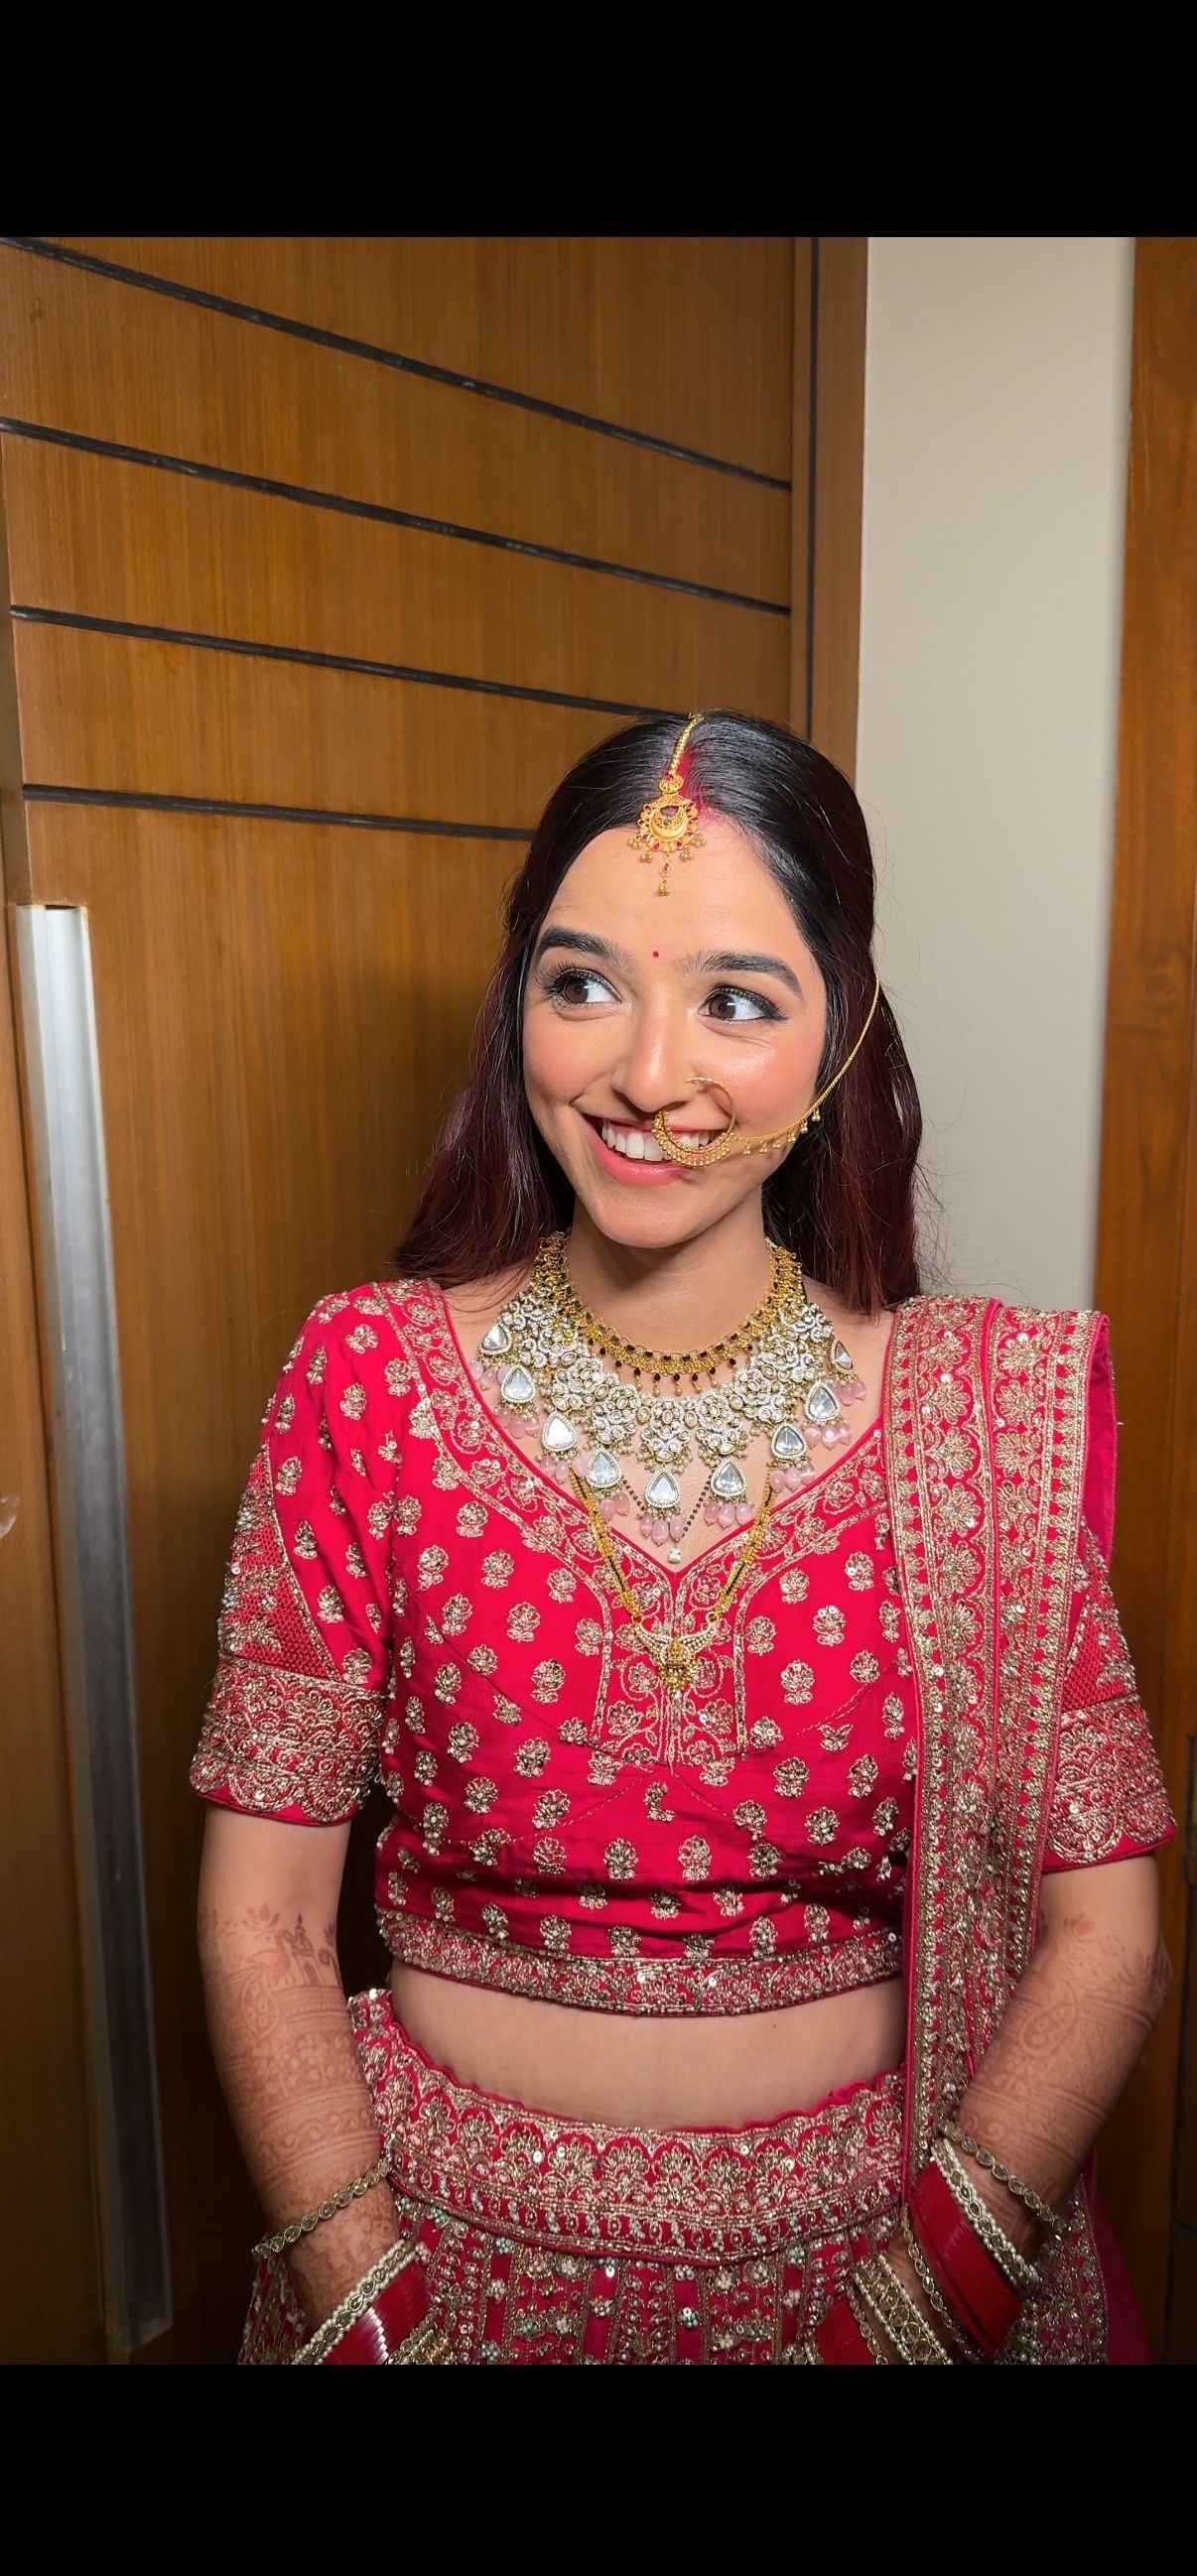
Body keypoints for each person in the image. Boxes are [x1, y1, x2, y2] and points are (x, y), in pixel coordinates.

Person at [192, 710, 1174, 2365]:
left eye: (735, 1000)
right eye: (582, 983)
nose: (648, 1076)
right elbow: (264, 1922)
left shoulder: (973, 1417)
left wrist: (920, 2309)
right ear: (517, 1001)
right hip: (435, 2256)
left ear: (842, 1027)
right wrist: (368, 2309)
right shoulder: (369, 1379)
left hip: (873, 2265)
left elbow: (1103, 1935)